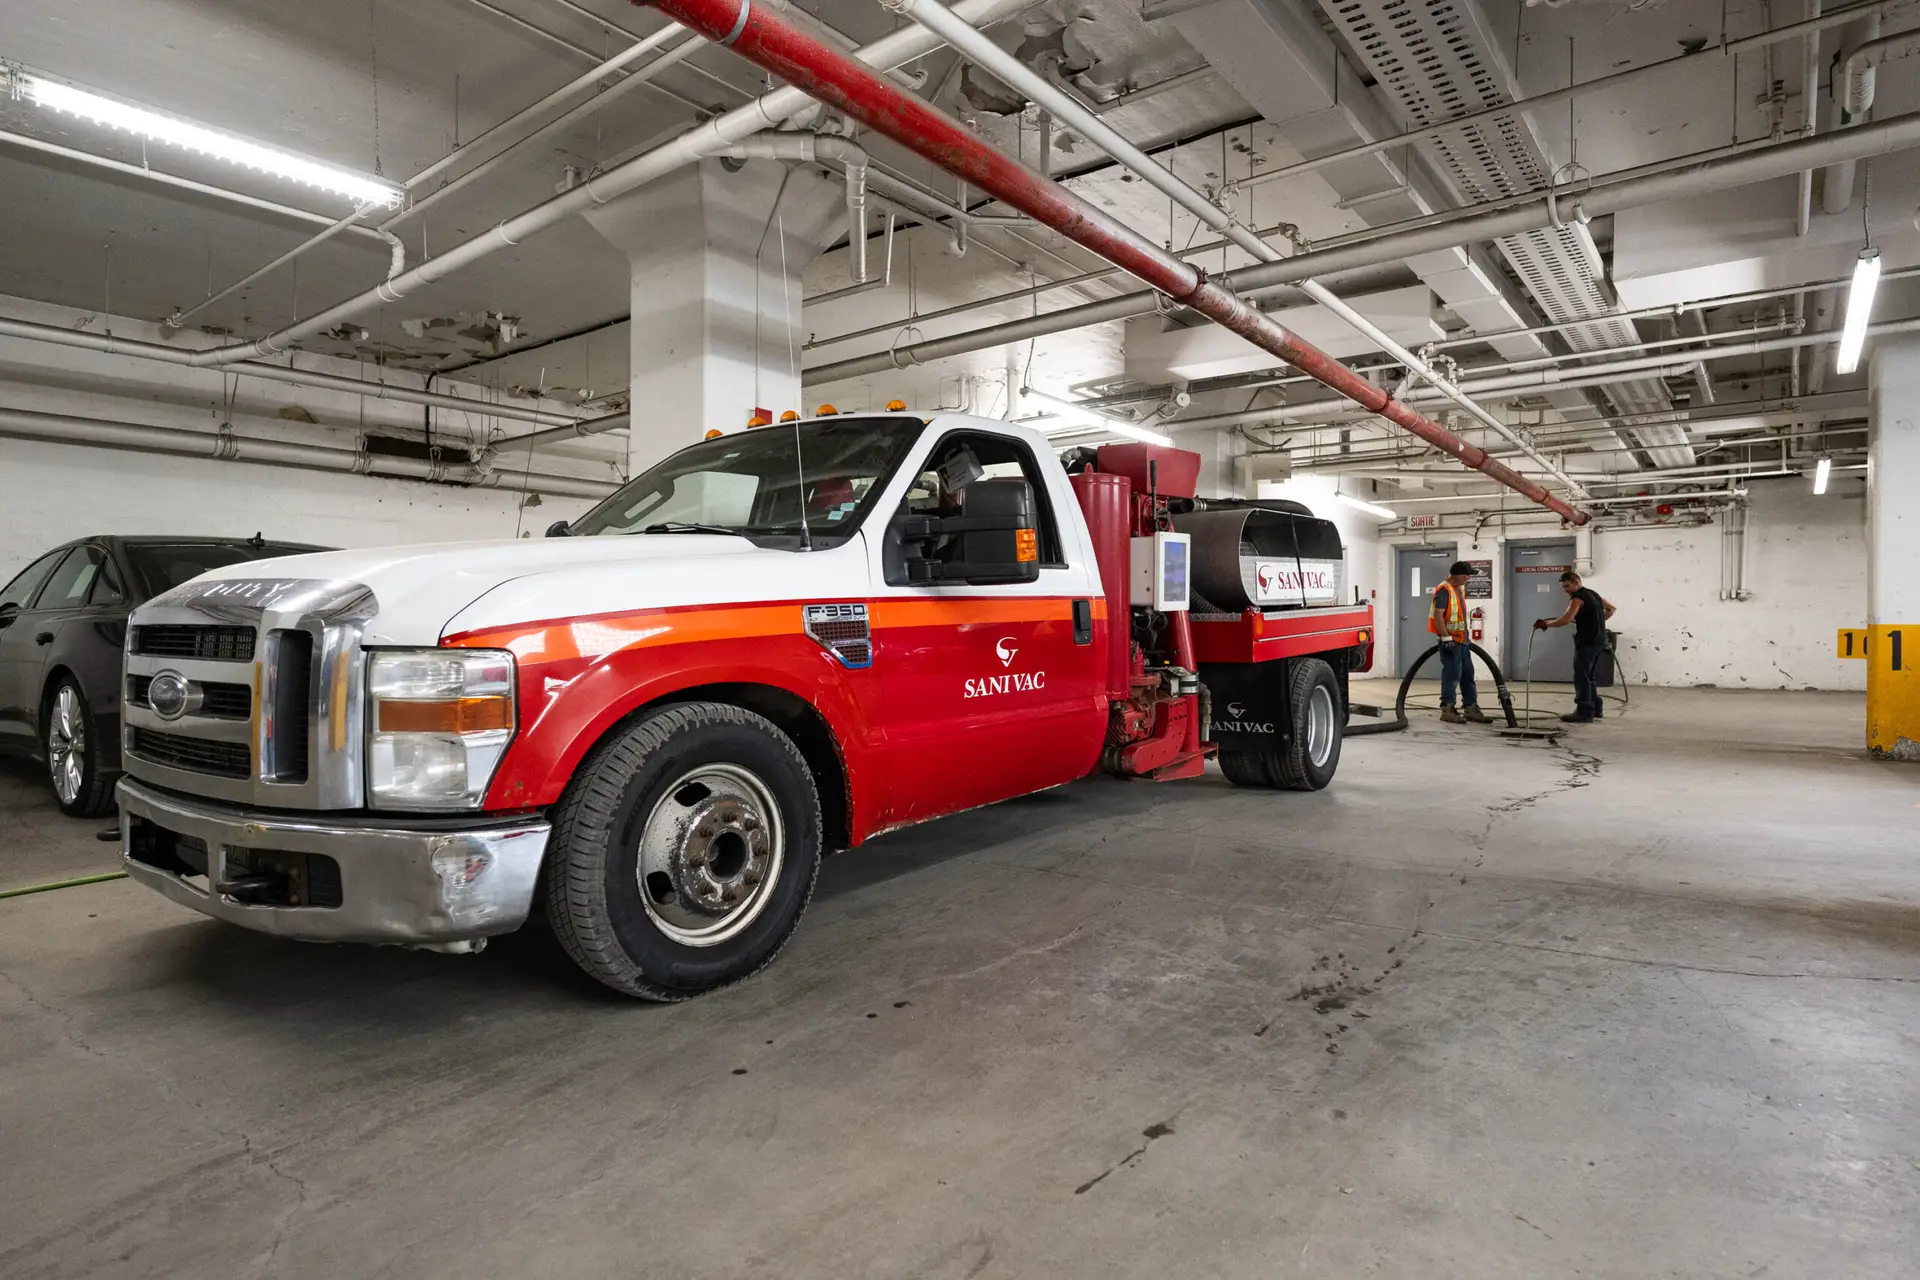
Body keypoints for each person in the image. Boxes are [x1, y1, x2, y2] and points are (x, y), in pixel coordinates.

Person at [1534, 570, 1617, 723]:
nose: (1566, 590)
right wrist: (1597, 620)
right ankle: (1596, 709)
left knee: (1582, 676)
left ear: (1577, 582)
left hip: (1586, 642)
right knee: (1590, 676)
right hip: (1599, 641)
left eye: (1567, 586)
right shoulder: (1594, 595)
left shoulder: (1577, 599)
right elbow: (1611, 609)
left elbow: (1566, 619)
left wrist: (1546, 624)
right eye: (1563, 587)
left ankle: (1584, 712)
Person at [1430, 560, 1490, 724]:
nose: (1468, 578)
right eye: (1467, 575)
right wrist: (1445, 638)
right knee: (1452, 675)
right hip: (1451, 641)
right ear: (1459, 575)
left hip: (1462, 640)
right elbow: (1438, 615)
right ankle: (1448, 709)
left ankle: (1470, 708)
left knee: (1467, 675)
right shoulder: (1444, 590)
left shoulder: (1457, 589)